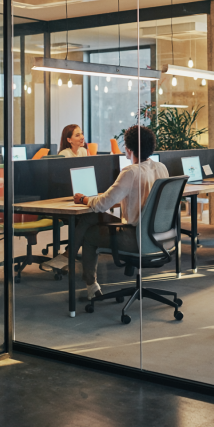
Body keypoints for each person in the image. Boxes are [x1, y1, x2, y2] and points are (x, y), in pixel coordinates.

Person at [49, 125, 168, 299]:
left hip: (136, 238)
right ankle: (71, 259)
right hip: (159, 238)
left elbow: (101, 204)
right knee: (91, 217)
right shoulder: (161, 168)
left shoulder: (131, 171)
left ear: (128, 149)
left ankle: (89, 282)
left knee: (89, 234)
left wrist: (83, 199)